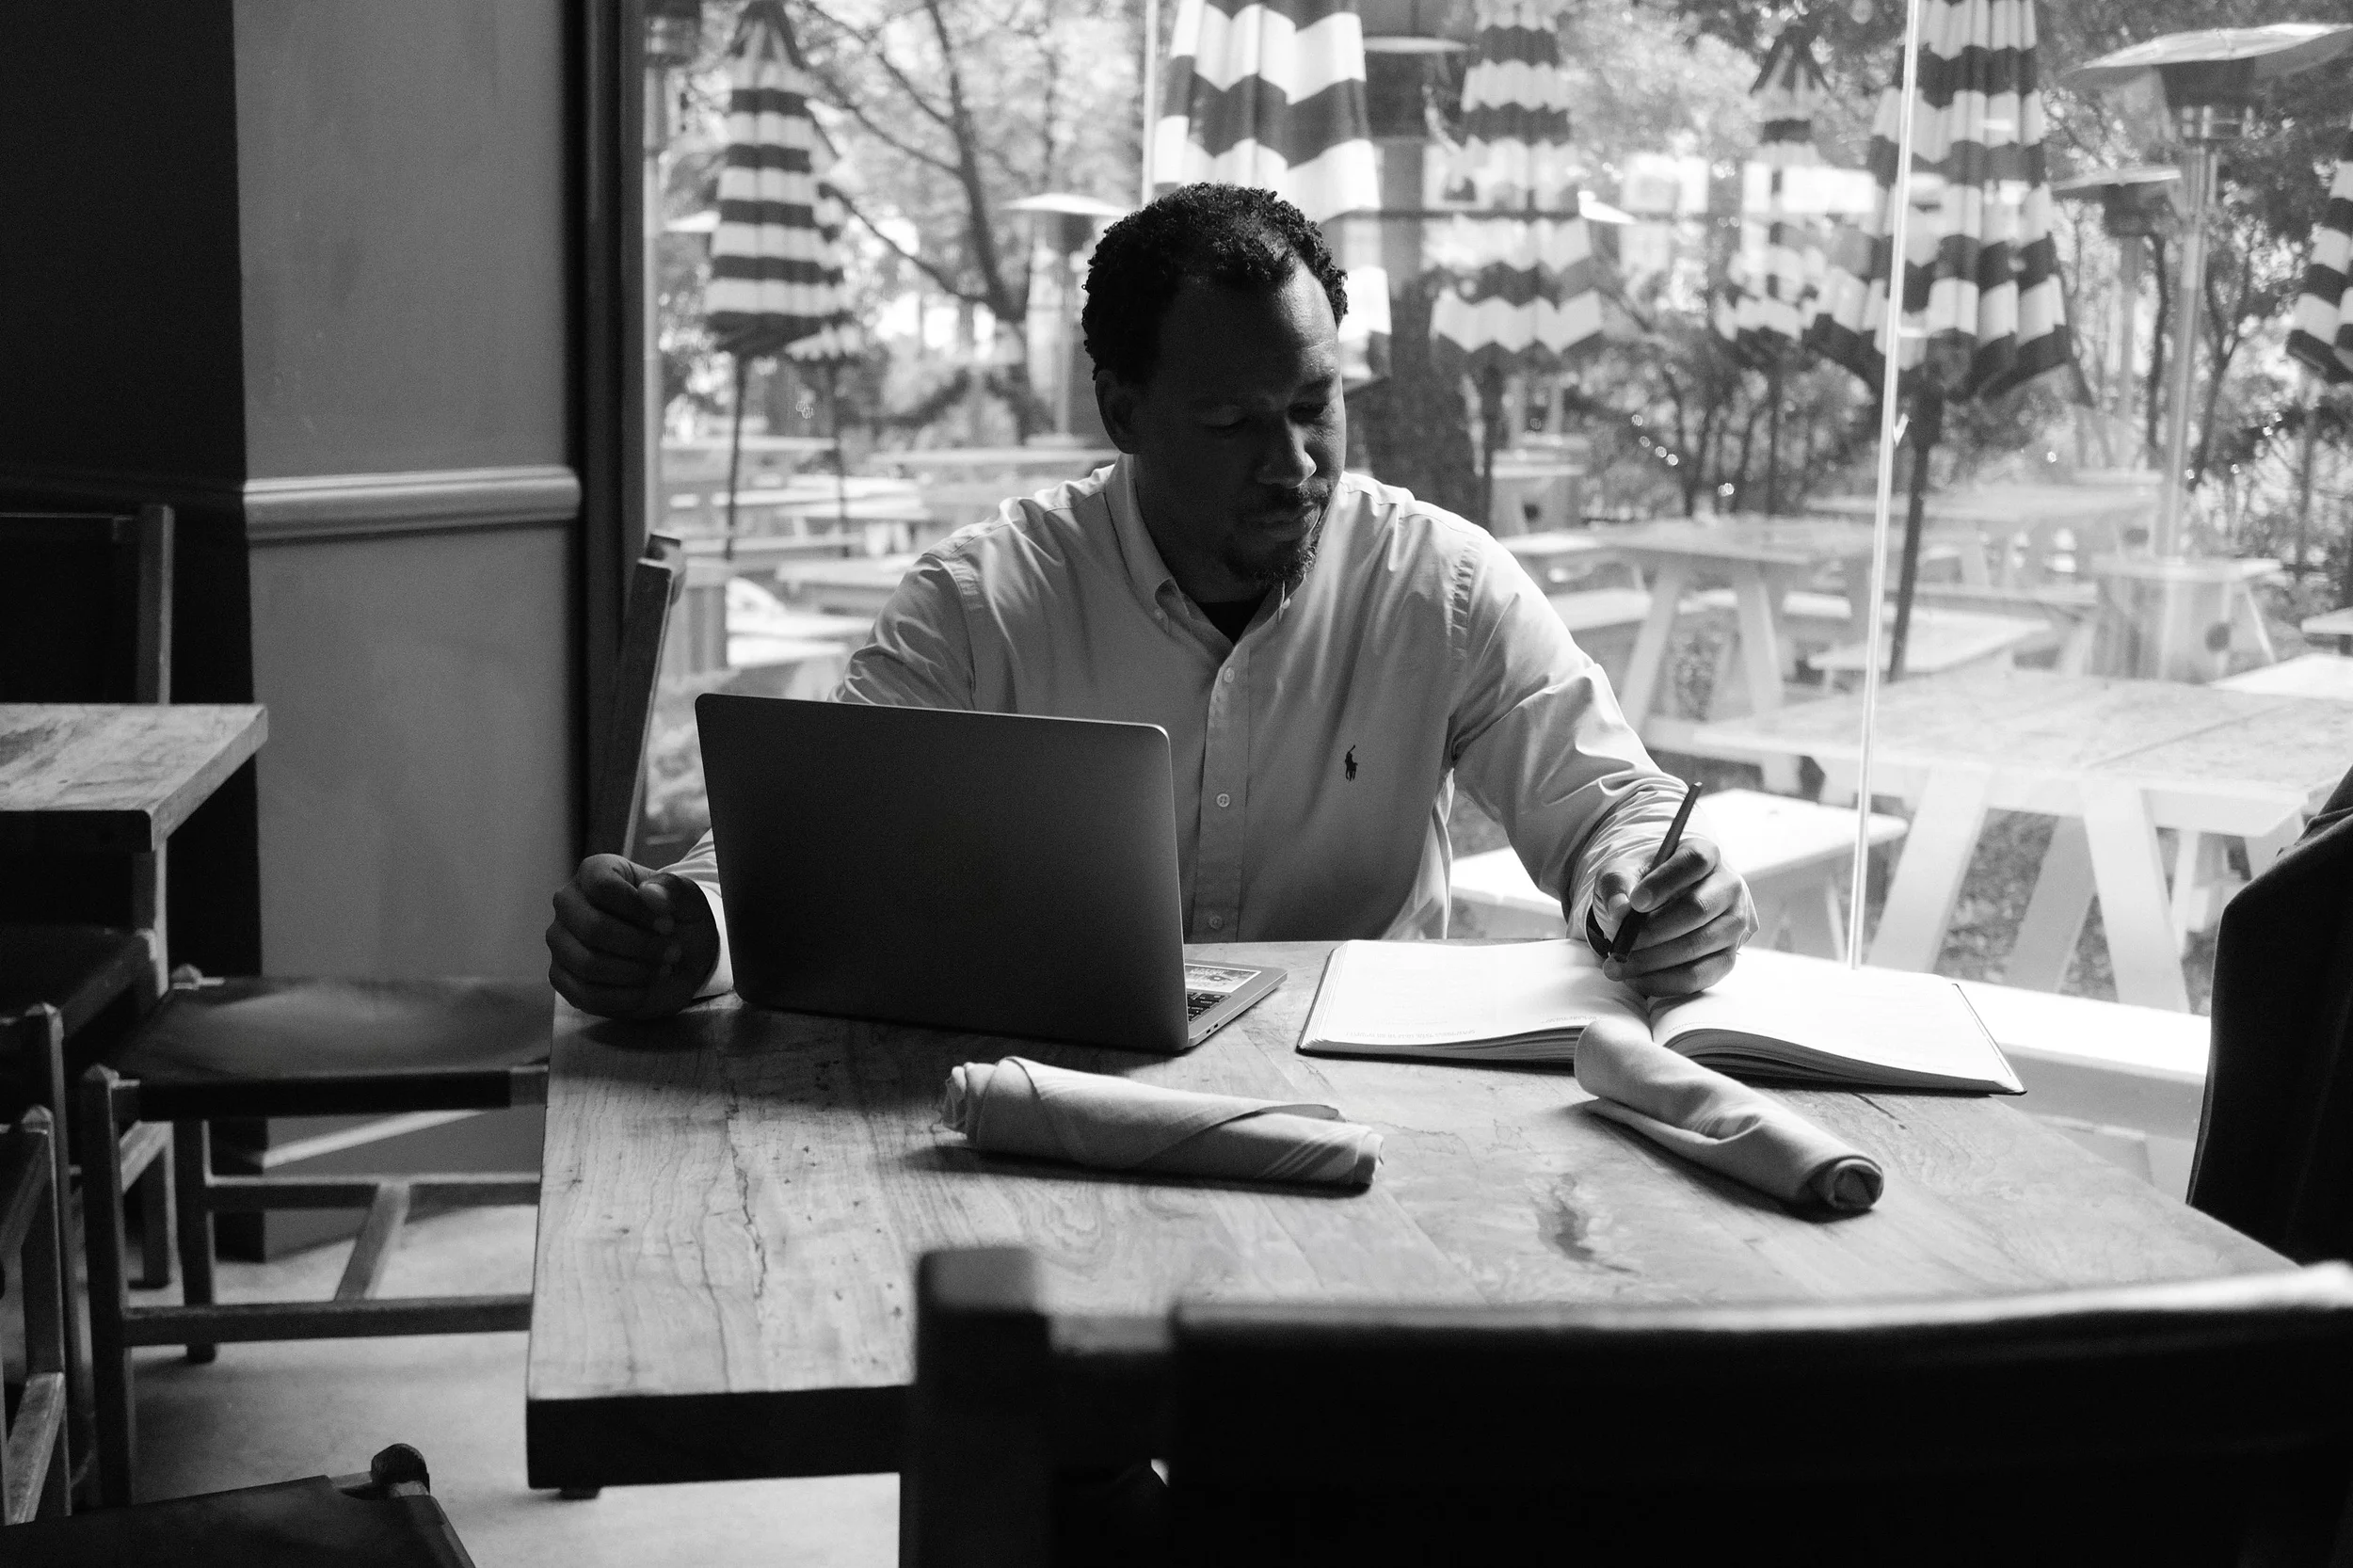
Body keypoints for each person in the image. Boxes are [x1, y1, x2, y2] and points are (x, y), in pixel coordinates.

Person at [547, 183, 1756, 1021]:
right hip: (1043, 1099)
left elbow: (1615, 807)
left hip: (1373, 1108)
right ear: (1122, 413)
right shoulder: (981, 606)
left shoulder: (1436, 583)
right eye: (1232, 422)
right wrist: (680, 932)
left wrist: (1651, 885)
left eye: (1314, 406)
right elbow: (791, 868)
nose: (1292, 462)